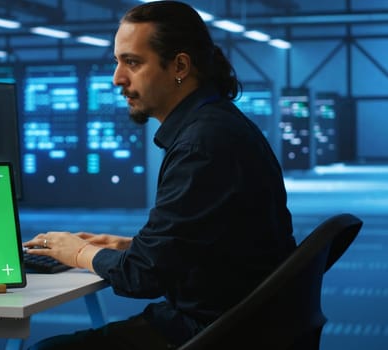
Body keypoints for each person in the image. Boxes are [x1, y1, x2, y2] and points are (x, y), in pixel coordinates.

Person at [23, 1, 296, 349]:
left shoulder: (203, 145)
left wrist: (76, 252)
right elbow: (212, 243)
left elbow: (142, 277)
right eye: (118, 61)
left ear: (179, 66)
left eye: (132, 63)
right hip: (241, 319)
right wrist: (133, 247)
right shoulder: (218, 125)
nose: (117, 78)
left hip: (213, 331)